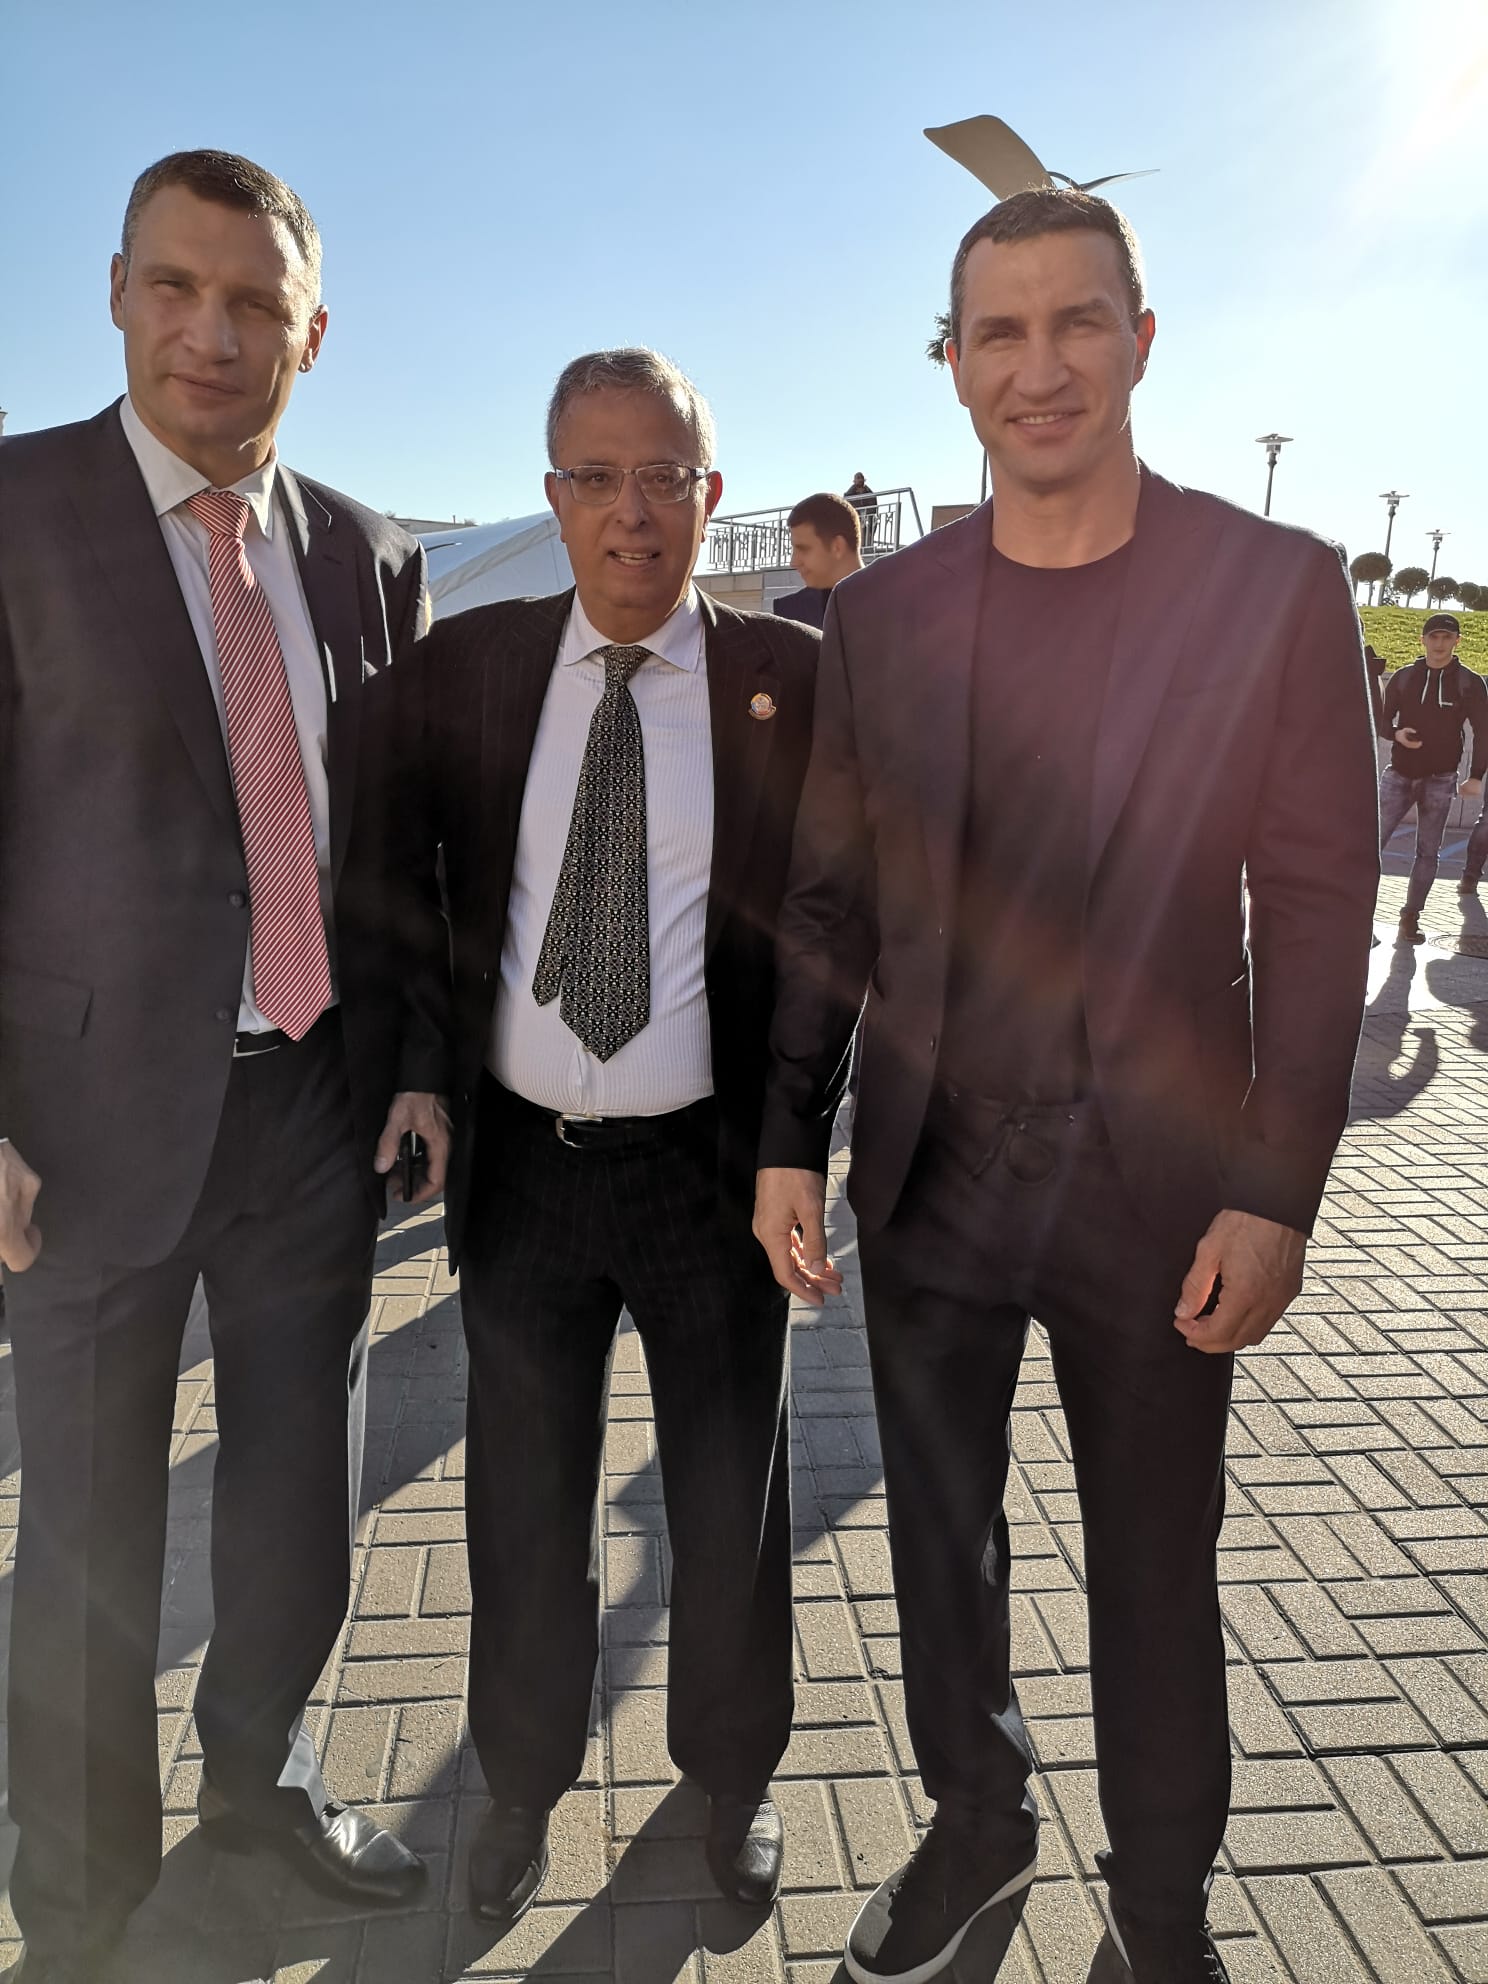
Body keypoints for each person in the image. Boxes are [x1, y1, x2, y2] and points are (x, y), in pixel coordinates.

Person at [753, 189, 1378, 1984]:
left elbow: (1319, 903)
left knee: (1154, 1564)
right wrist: (788, 1135)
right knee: (938, 1539)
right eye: (999, 332)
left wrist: (1275, 1187)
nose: (1039, 367)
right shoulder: (881, 615)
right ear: (951, 363)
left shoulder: (1270, 587)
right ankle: (977, 1822)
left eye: (1076, 322)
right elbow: (830, 896)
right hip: (930, 1169)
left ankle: (1161, 1916)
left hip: (1159, 1187)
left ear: (1140, 340)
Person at [0, 150, 449, 1983]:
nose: (212, 330)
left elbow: (399, 844)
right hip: (81, 1124)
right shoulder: (16, 511)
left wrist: (415, 1060)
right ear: (116, 293)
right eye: (176, 287)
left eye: (256, 300)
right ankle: (79, 1886)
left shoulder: (368, 552)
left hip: (315, 1109)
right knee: (85, 1528)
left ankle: (261, 1782)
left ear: (310, 334)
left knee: (292, 1498)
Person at [402, 348, 820, 1929]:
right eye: (596, 478)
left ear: (712, 497)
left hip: (709, 1176)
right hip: (522, 1173)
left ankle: (733, 1774)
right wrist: (420, 1073)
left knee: (728, 1501)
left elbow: (829, 930)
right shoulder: (478, 663)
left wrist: (798, 1140)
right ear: (553, 494)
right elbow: (408, 875)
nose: (631, 512)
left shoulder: (790, 680)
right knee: (522, 1504)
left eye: (663, 478)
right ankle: (518, 1783)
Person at [1376, 613, 1486, 932]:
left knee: (1427, 852)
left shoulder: (1469, 683)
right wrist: (1395, 734)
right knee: (1370, 844)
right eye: (1433, 637)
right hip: (1398, 775)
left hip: (1440, 779)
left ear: (1457, 641)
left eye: (1446, 637)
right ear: (1422, 640)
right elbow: (1381, 719)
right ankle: (1355, 906)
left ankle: (1411, 917)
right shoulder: (1404, 677)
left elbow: (1484, 731)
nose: (1439, 644)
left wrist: (1476, 775)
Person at [774, 491, 866, 631]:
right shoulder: (790, 612)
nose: (793, 562)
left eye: (803, 549)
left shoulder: (894, 605)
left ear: (837, 547)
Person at [845, 470, 879, 552]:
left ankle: (867, 548)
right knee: (859, 531)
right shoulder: (849, 494)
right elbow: (847, 503)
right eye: (858, 478)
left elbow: (873, 505)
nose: (860, 480)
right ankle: (859, 549)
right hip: (856, 518)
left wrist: (869, 515)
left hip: (868, 518)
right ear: (854, 481)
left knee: (868, 532)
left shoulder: (869, 492)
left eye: (861, 478)